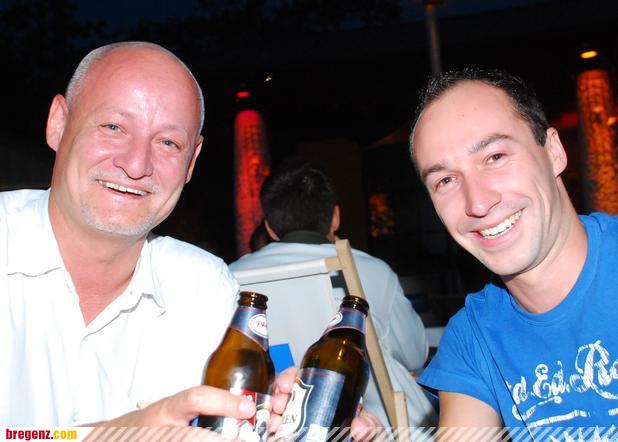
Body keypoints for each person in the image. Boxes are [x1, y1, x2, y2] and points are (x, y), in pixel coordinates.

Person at [0, 41, 381, 439]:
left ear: (191, 161)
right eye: (113, 127)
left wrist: (284, 426)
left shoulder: (204, 285)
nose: (136, 164)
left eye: (168, 142)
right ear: (58, 123)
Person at [412, 68, 618, 435]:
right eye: (446, 180)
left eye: (495, 157)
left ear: (553, 152)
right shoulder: (473, 339)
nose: (477, 203)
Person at [230, 158, 438, 427]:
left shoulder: (232, 276)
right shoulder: (370, 270)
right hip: (370, 423)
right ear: (335, 217)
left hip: (268, 421)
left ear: (269, 227)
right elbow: (414, 354)